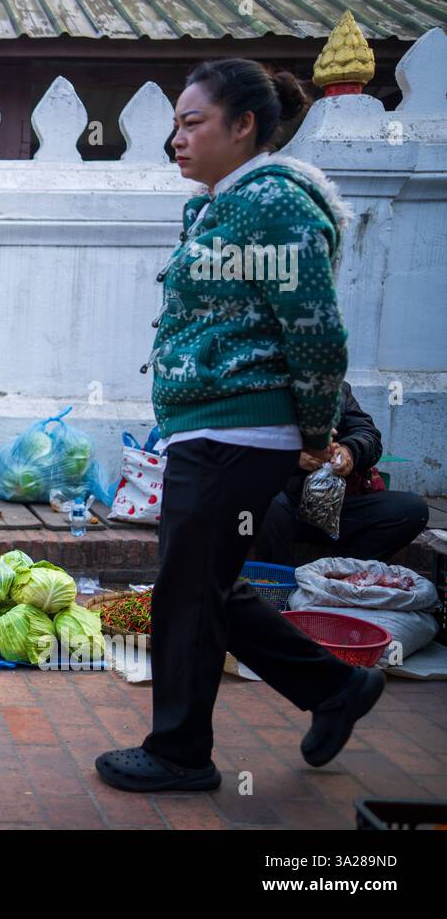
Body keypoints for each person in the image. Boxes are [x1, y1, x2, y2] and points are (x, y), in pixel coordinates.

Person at [95, 59, 385, 793]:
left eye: (192, 124)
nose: (177, 141)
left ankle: (180, 753)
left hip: (239, 436)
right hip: (211, 431)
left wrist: (319, 433)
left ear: (244, 125)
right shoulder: (220, 205)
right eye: (174, 126)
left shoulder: (273, 203)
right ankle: (335, 689)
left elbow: (316, 331)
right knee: (209, 588)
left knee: (189, 594)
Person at [257, 381, 429, 565]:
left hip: (331, 508)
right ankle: (281, 582)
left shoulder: (338, 390)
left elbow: (367, 434)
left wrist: (350, 452)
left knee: (411, 509)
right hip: (277, 507)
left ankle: (341, 574)